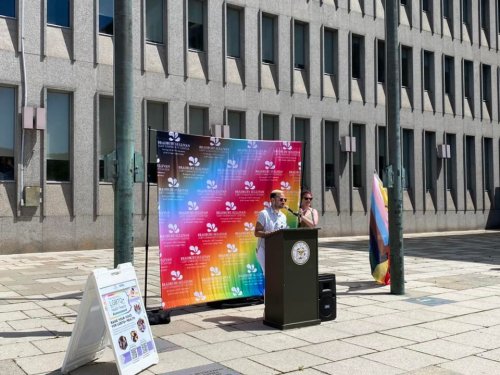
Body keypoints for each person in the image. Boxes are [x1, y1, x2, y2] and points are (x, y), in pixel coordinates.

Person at [254, 189, 288, 275]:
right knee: (269, 275)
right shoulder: (264, 214)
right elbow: (257, 232)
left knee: (277, 275)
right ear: (272, 200)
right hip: (264, 250)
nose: (283, 201)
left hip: (277, 250)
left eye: (285, 200)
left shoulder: (283, 216)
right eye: (281, 199)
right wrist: (271, 234)